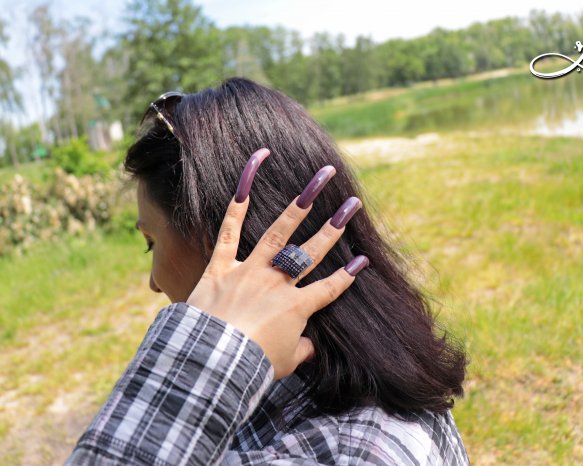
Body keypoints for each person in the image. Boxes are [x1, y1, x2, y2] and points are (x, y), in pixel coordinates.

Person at [65, 77, 470, 465]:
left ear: (219, 239)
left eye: (151, 242)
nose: (153, 283)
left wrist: (210, 351)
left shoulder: (346, 453)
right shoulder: (357, 375)